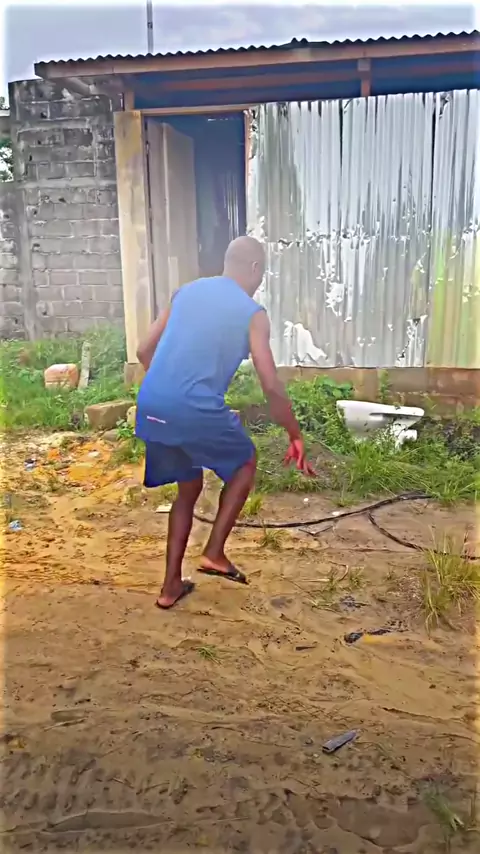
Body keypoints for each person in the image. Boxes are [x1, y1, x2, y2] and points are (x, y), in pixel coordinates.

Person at [135, 236, 314, 610]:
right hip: (191, 408)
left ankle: (170, 587)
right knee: (245, 461)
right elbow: (270, 383)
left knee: (188, 488)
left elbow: (143, 350)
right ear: (254, 269)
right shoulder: (252, 313)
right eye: (261, 273)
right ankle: (214, 553)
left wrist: (171, 395)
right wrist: (294, 433)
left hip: (152, 402)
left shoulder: (186, 292)